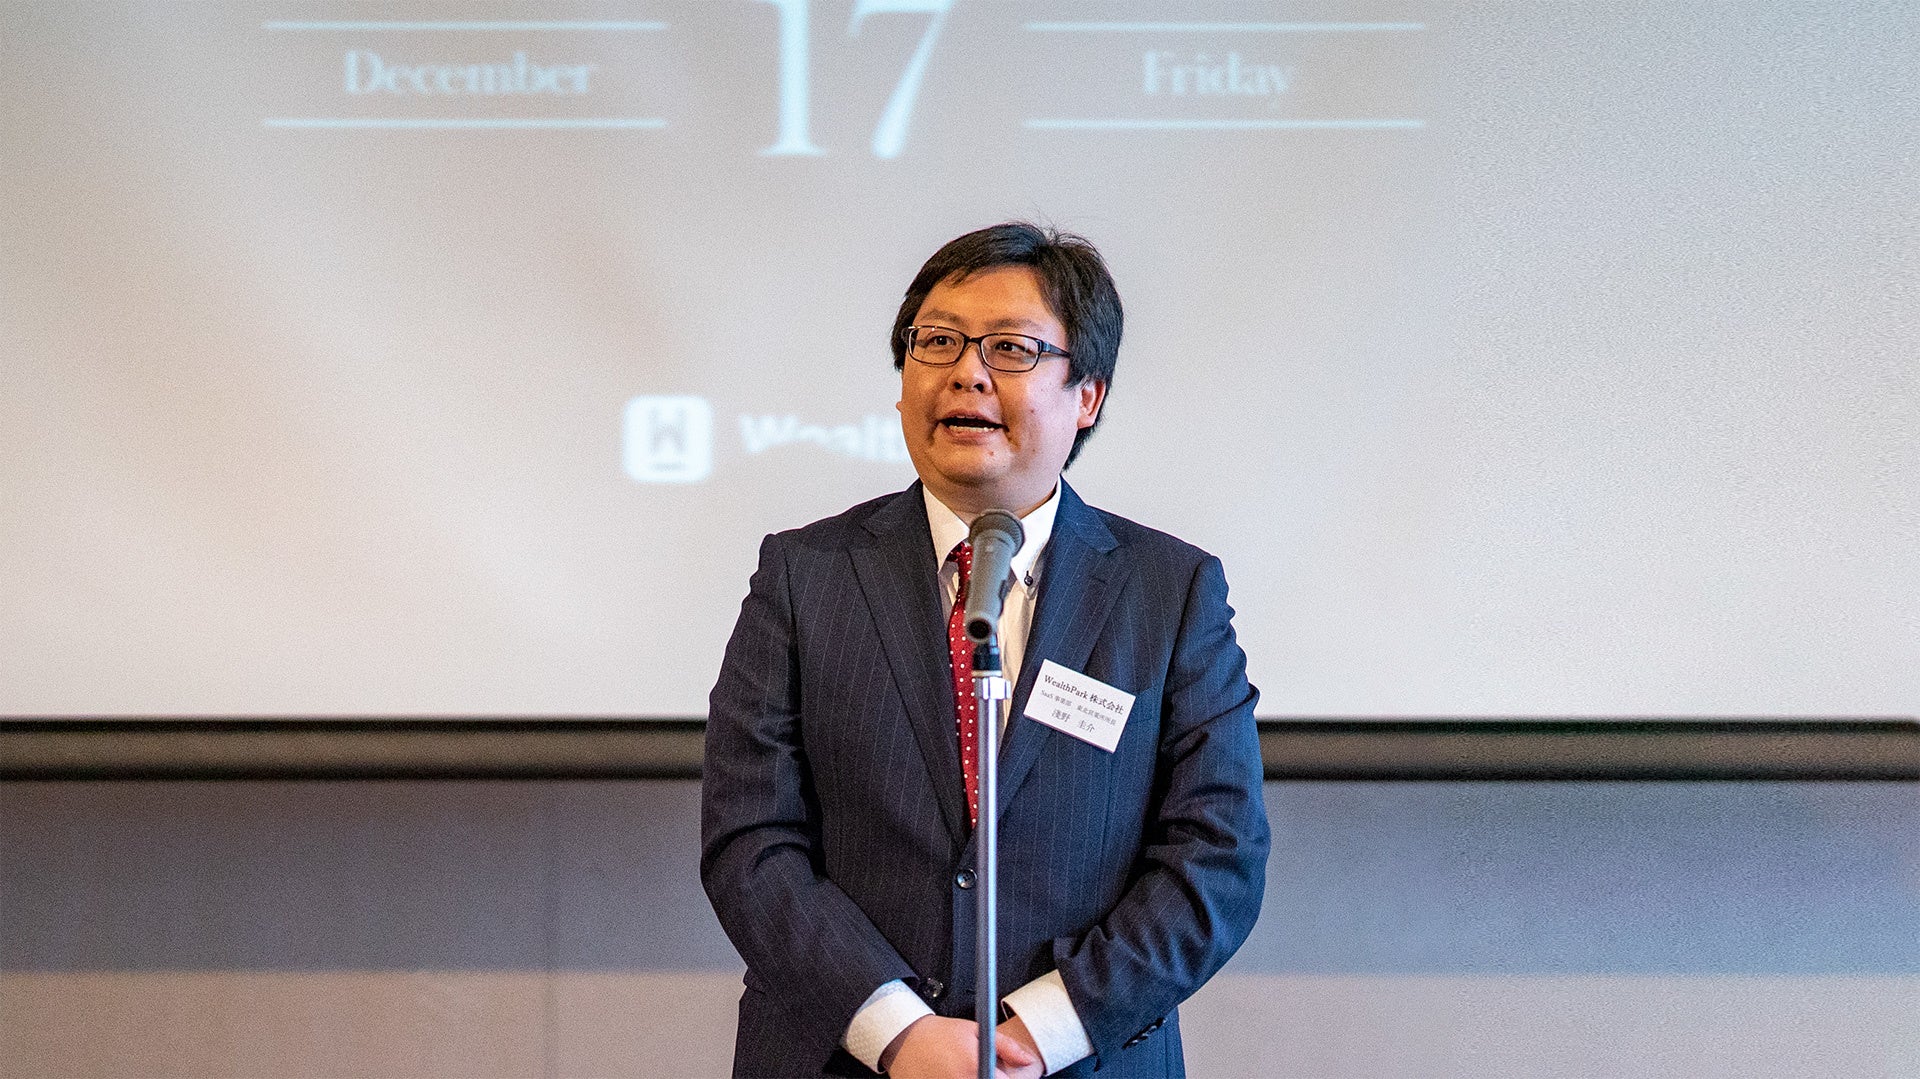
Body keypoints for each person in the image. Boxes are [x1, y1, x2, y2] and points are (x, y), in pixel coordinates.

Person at [702, 222, 1269, 1078]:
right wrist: (899, 1030)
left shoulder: (1170, 592)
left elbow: (1217, 857)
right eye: (937, 341)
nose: (966, 371)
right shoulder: (804, 575)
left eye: (1010, 348)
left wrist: (1041, 1031)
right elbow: (750, 840)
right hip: (845, 1057)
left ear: (1088, 395)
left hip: (1081, 1060)